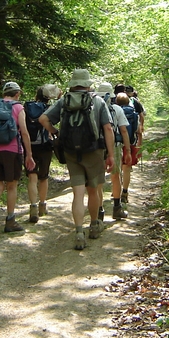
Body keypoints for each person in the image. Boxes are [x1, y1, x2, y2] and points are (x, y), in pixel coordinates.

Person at [39, 69, 115, 250]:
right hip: (94, 151)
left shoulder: (63, 101)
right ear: (88, 84)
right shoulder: (97, 101)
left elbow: (43, 119)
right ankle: (95, 224)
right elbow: (108, 128)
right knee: (94, 190)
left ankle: (79, 231)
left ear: (73, 84)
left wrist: (56, 133)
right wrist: (111, 155)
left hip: (71, 152)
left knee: (78, 193)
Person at [0, 81, 35, 234]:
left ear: (4, 93)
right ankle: (10, 221)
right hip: (12, 152)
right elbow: (24, 132)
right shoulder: (18, 107)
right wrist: (29, 154)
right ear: (17, 94)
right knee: (12, 186)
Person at [94, 83, 131, 221]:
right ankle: (117, 208)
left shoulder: (93, 108)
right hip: (114, 146)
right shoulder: (116, 109)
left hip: (96, 147)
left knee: (98, 180)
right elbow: (123, 131)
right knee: (116, 177)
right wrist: (127, 150)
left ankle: (99, 210)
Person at [24, 85, 59, 220]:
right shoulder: (49, 109)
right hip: (44, 145)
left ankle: (32, 207)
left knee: (32, 177)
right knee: (43, 177)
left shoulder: (26, 107)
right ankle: (42, 206)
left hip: (29, 146)